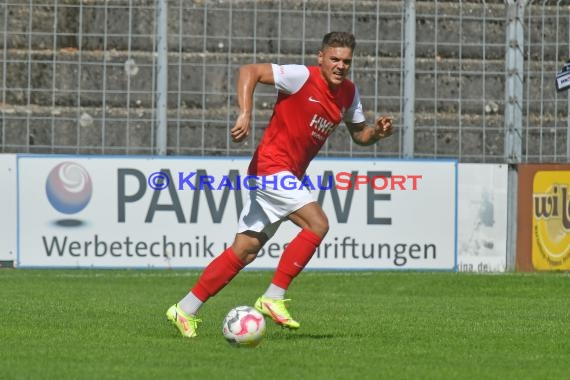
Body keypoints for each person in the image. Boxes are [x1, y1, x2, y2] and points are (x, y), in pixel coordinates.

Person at [166, 31, 393, 338]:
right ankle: (273, 296)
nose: (340, 66)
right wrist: (245, 113)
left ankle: (184, 309)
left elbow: (360, 135)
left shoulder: (349, 94)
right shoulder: (301, 76)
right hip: (271, 168)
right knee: (318, 224)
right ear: (321, 58)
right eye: (335, 59)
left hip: (283, 175)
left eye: (346, 61)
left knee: (245, 250)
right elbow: (251, 71)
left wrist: (376, 133)